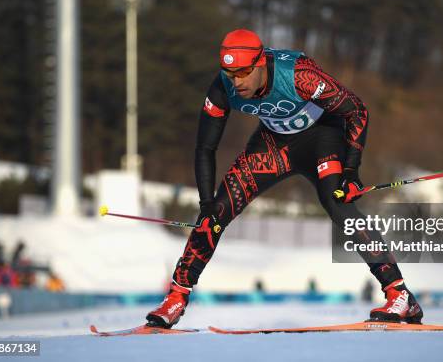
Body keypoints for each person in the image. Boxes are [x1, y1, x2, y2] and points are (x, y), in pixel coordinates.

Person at [146, 29, 423, 328]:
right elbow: (205, 147)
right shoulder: (223, 87)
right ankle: (174, 299)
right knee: (215, 213)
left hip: (323, 139)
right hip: (274, 146)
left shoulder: (298, 76)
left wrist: (351, 172)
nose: (236, 82)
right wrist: (205, 201)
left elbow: (356, 111)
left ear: (261, 63)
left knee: (338, 204)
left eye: (242, 73)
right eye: (229, 73)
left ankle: (399, 294)